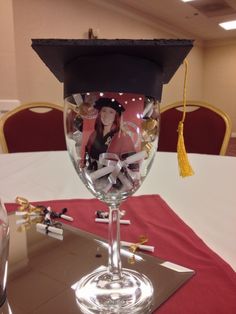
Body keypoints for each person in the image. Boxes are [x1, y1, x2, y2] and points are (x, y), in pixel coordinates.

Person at [85, 97, 137, 171]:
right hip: (93, 175)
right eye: (104, 111)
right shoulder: (94, 134)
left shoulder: (123, 137)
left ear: (116, 116)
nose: (106, 115)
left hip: (115, 179)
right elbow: (87, 155)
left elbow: (133, 165)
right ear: (100, 113)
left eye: (111, 112)